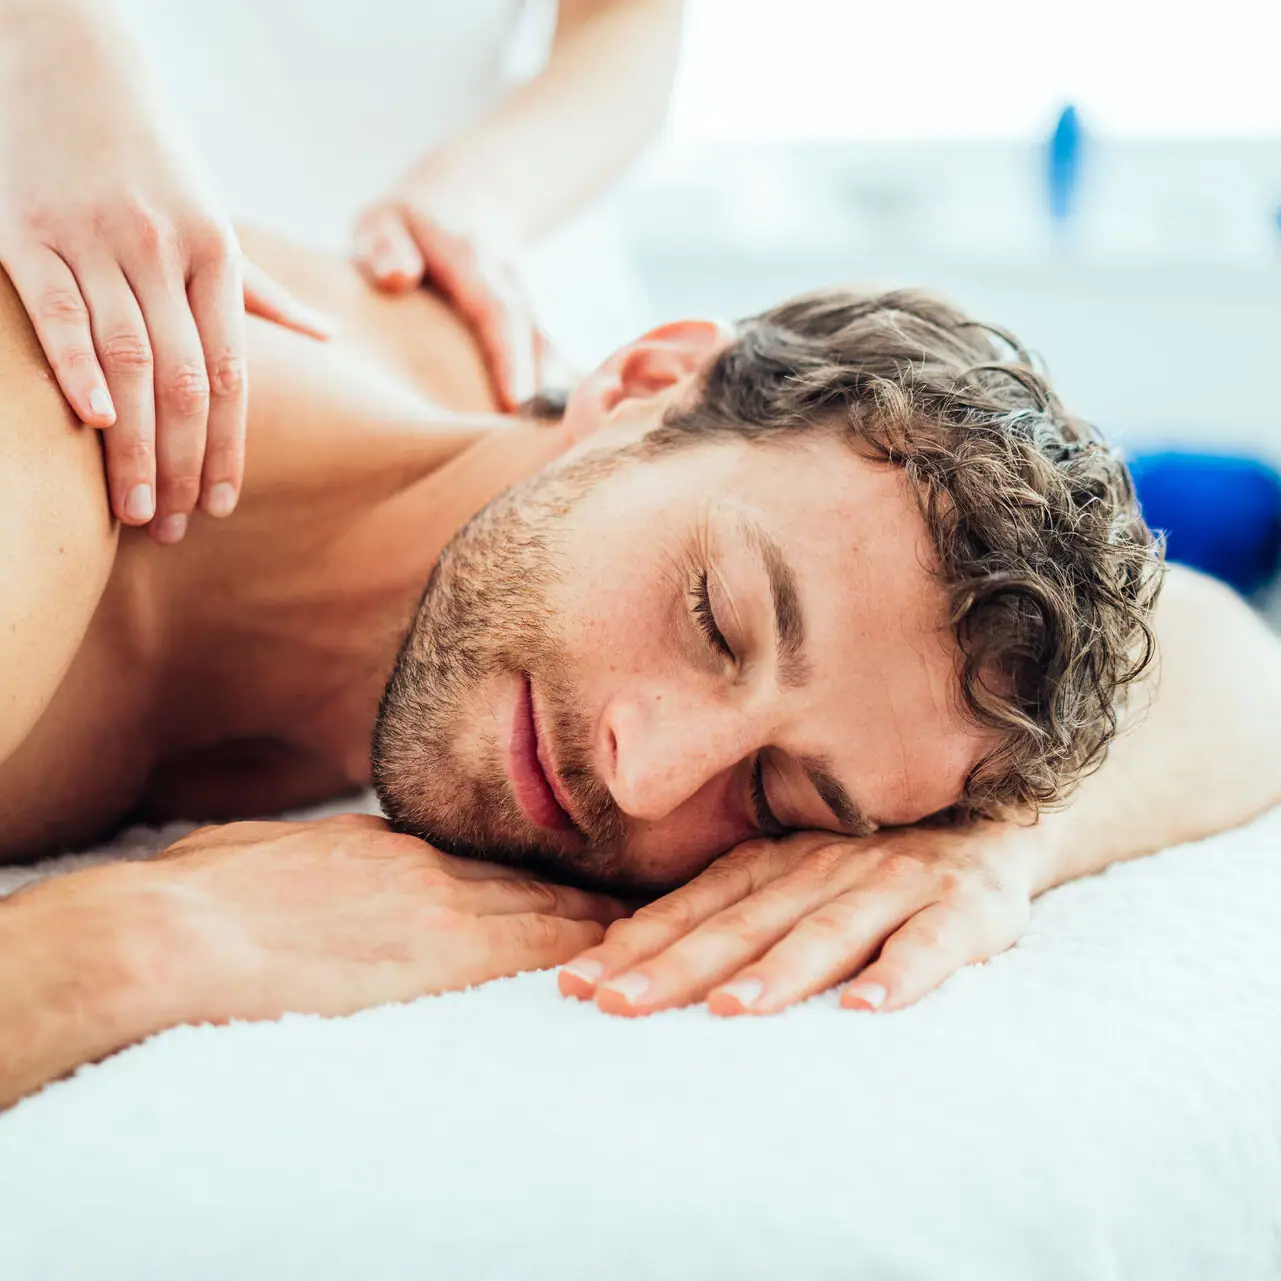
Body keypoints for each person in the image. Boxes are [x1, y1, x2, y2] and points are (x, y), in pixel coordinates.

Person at [3, 227, 1281, 1111]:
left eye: (782, 799)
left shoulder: (637, 492)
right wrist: (136, 941)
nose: (654, 776)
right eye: (717, 621)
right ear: (644, 385)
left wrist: (990, 846)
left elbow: (1229, 654)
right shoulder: (57, 442)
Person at [0, 0, 682, 539]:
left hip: (457, 253)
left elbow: (631, 18)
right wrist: (49, 43)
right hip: (63, 146)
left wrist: (476, 194)